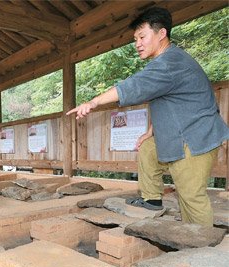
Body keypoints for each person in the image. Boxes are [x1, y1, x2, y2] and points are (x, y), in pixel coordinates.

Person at [67, 7, 229, 227]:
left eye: (142, 37)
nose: (137, 44)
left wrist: (93, 102)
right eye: (135, 39)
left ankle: (202, 246)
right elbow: (166, 101)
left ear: (161, 34)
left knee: (191, 196)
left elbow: (134, 85)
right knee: (148, 148)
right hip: (180, 133)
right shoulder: (167, 63)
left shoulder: (170, 62)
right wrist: (151, 131)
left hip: (194, 139)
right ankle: (152, 200)